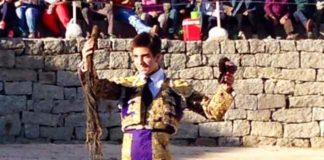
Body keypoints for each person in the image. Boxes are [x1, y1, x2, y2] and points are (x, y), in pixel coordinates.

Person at [79, 32, 235, 160]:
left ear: (158, 57)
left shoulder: (178, 88)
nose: (140, 62)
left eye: (145, 56)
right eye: (136, 57)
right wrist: (87, 61)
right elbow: (95, 88)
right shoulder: (126, 86)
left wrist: (225, 88)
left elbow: (212, 111)